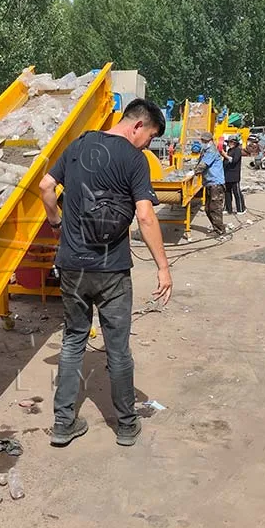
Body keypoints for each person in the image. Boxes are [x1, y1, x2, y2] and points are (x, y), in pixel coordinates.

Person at [39, 99, 172, 448]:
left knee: (72, 342)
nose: (148, 144)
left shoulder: (78, 145)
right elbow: (145, 217)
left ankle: (63, 424)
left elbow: (44, 187)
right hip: (111, 269)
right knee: (118, 348)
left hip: (72, 267)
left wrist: (55, 221)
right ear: (138, 126)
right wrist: (163, 267)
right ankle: (126, 425)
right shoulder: (133, 159)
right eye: (151, 136)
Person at [194, 131, 226, 236]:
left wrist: (193, 172)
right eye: (202, 141)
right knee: (208, 208)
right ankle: (215, 227)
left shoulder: (211, 150)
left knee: (215, 208)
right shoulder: (206, 150)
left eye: (205, 141)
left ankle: (220, 230)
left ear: (210, 141)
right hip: (209, 183)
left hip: (215, 184)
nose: (203, 142)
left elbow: (203, 165)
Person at [221, 135, 246, 214]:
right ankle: (228, 209)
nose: (230, 143)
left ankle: (241, 209)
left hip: (234, 174)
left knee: (237, 192)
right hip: (227, 174)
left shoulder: (237, 150)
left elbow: (234, 160)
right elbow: (225, 162)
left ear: (235, 143)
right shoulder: (229, 151)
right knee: (227, 192)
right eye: (229, 142)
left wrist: (225, 155)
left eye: (232, 142)